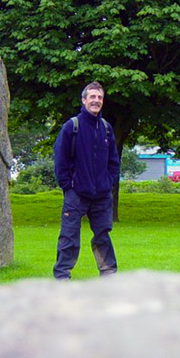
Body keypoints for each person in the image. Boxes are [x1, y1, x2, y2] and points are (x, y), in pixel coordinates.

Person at [52, 81, 120, 279]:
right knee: (69, 237)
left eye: (99, 97)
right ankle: (62, 276)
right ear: (84, 100)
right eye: (92, 97)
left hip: (101, 195)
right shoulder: (71, 127)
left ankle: (108, 274)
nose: (96, 101)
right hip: (76, 193)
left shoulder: (106, 129)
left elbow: (113, 162)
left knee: (102, 237)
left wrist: (108, 183)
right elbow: (60, 159)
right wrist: (68, 186)